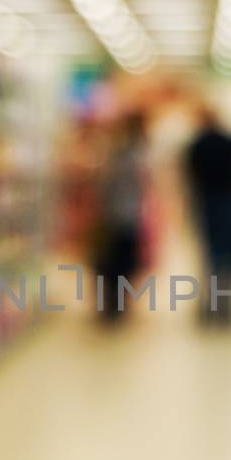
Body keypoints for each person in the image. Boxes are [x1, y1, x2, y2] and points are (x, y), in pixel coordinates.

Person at [183, 105, 231, 327]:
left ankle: (213, 304)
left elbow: (190, 178)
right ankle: (229, 304)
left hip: (208, 204)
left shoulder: (197, 146)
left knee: (211, 256)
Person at [92, 112, 148, 324]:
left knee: (114, 263)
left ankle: (113, 303)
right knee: (119, 263)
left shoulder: (122, 155)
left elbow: (106, 185)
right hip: (125, 214)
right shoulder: (133, 155)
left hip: (118, 214)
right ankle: (116, 303)